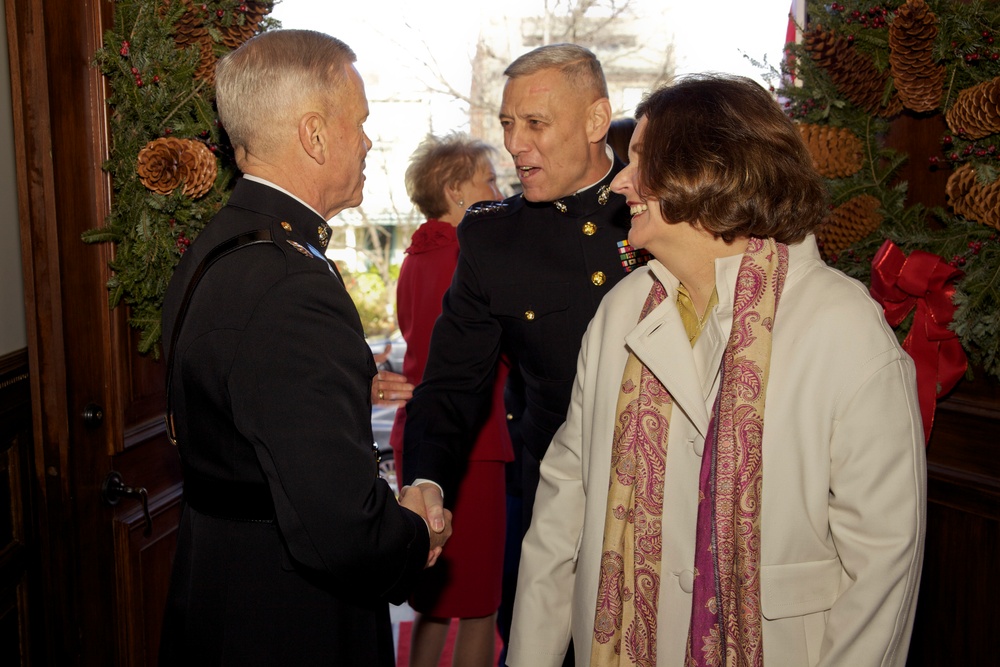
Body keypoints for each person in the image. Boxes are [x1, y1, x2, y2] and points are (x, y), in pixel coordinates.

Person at [507, 74, 926, 667]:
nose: (620, 183)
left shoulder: (843, 324)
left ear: (708, 168)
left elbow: (883, 562)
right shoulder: (619, 313)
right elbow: (559, 516)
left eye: (642, 162)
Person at [158, 29, 450, 666]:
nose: (368, 141)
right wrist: (414, 529)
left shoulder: (221, 245)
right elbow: (341, 530)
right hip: (286, 622)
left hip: (221, 591)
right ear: (314, 135)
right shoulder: (288, 283)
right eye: (359, 122)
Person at [401, 43, 645, 663]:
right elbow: (452, 381)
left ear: (596, 121)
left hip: (664, 506)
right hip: (551, 507)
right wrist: (426, 477)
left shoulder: (659, 210)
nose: (515, 143)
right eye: (509, 124)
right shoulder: (492, 238)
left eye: (536, 124)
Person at [388, 132, 511, 666]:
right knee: (482, 602)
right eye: (489, 178)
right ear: (458, 189)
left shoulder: (415, 256)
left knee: (433, 592)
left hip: (419, 432)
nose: (499, 188)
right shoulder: (467, 257)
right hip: (473, 439)